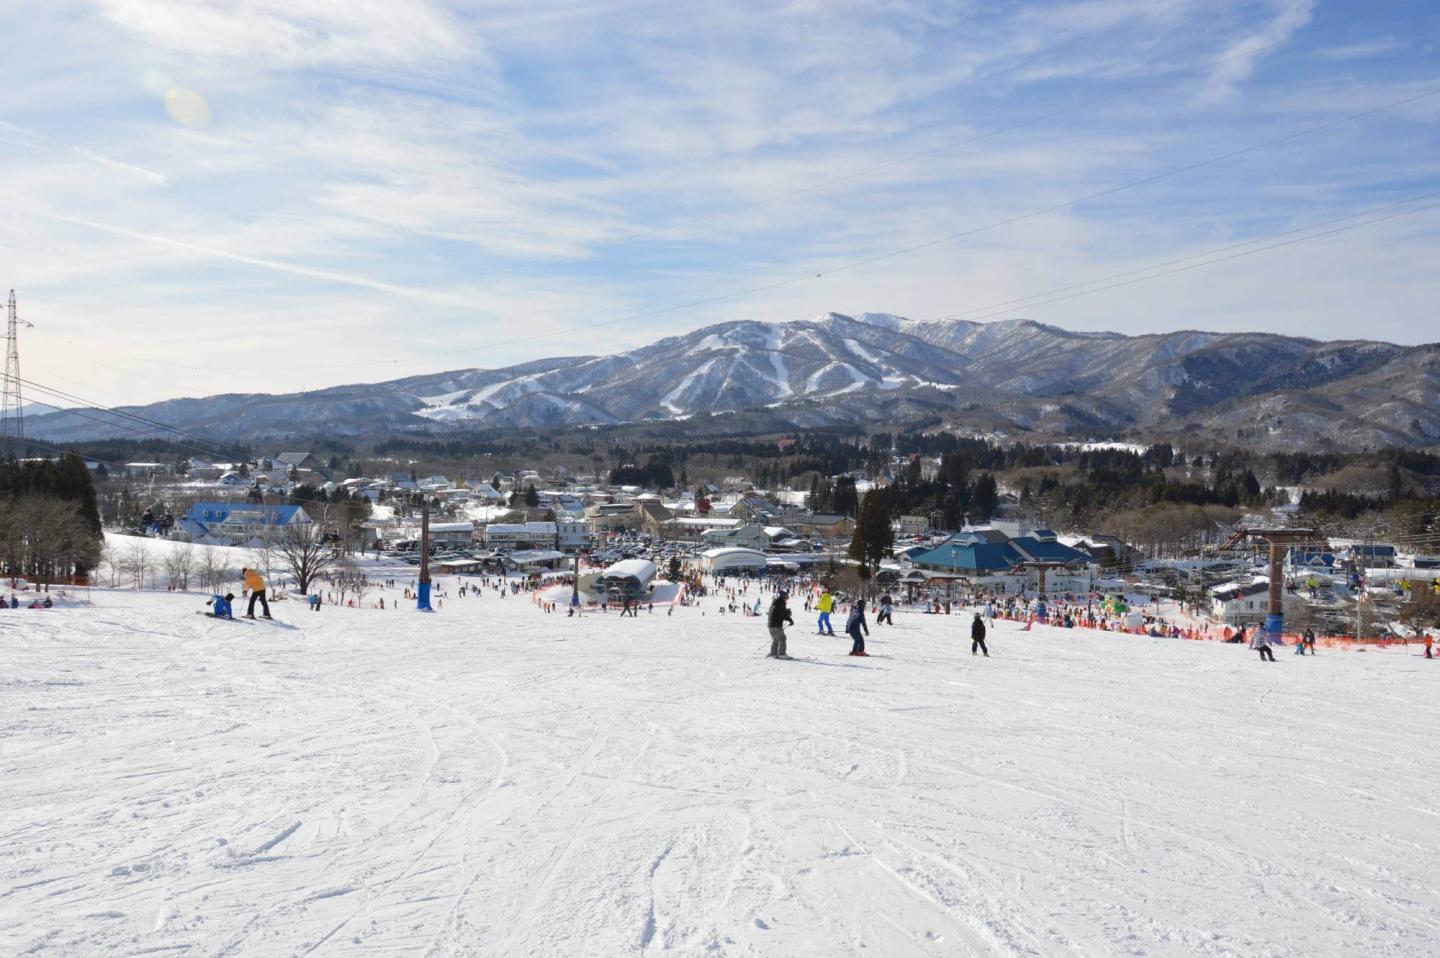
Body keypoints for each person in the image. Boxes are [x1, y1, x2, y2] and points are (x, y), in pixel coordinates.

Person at [767, 591, 794, 659]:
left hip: (770, 625)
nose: (786, 600)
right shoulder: (780, 604)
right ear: (782, 598)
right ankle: (782, 654)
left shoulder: (775, 603)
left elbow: (779, 612)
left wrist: (786, 611)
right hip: (776, 625)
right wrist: (790, 620)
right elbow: (784, 615)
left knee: (776, 639)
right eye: (786, 598)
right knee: (782, 638)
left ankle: (773, 653)